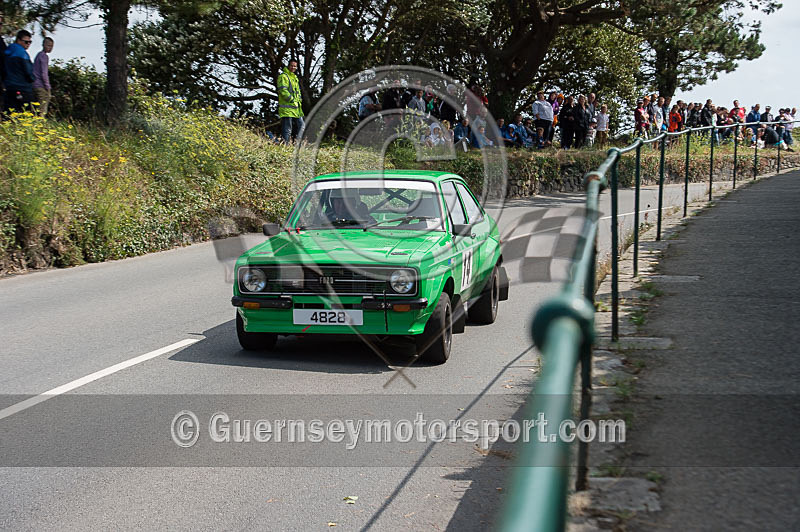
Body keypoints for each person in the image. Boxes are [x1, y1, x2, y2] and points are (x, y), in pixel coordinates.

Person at [3, 30, 35, 114]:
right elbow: (28, 72)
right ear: (18, 40)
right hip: (23, 88)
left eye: (30, 42)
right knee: (27, 113)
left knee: (9, 114)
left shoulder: (6, 53)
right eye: (26, 42)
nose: (28, 44)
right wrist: (32, 79)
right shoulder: (23, 54)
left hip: (9, 87)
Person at [277, 59, 304, 143]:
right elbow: (283, 91)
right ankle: (285, 145)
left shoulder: (294, 77)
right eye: (292, 65)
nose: (293, 67)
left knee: (302, 126)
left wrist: (299, 100)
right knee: (287, 128)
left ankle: (298, 145)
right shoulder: (283, 76)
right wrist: (292, 100)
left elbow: (297, 92)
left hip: (296, 108)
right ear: (288, 66)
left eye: (295, 66)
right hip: (287, 108)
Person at [32, 37, 53, 117]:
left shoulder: (38, 55)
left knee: (35, 108)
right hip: (41, 86)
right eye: (48, 45)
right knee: (42, 109)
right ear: (43, 45)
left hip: (34, 84)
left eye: (51, 46)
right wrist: (48, 87)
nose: (50, 48)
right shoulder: (44, 56)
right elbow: (44, 73)